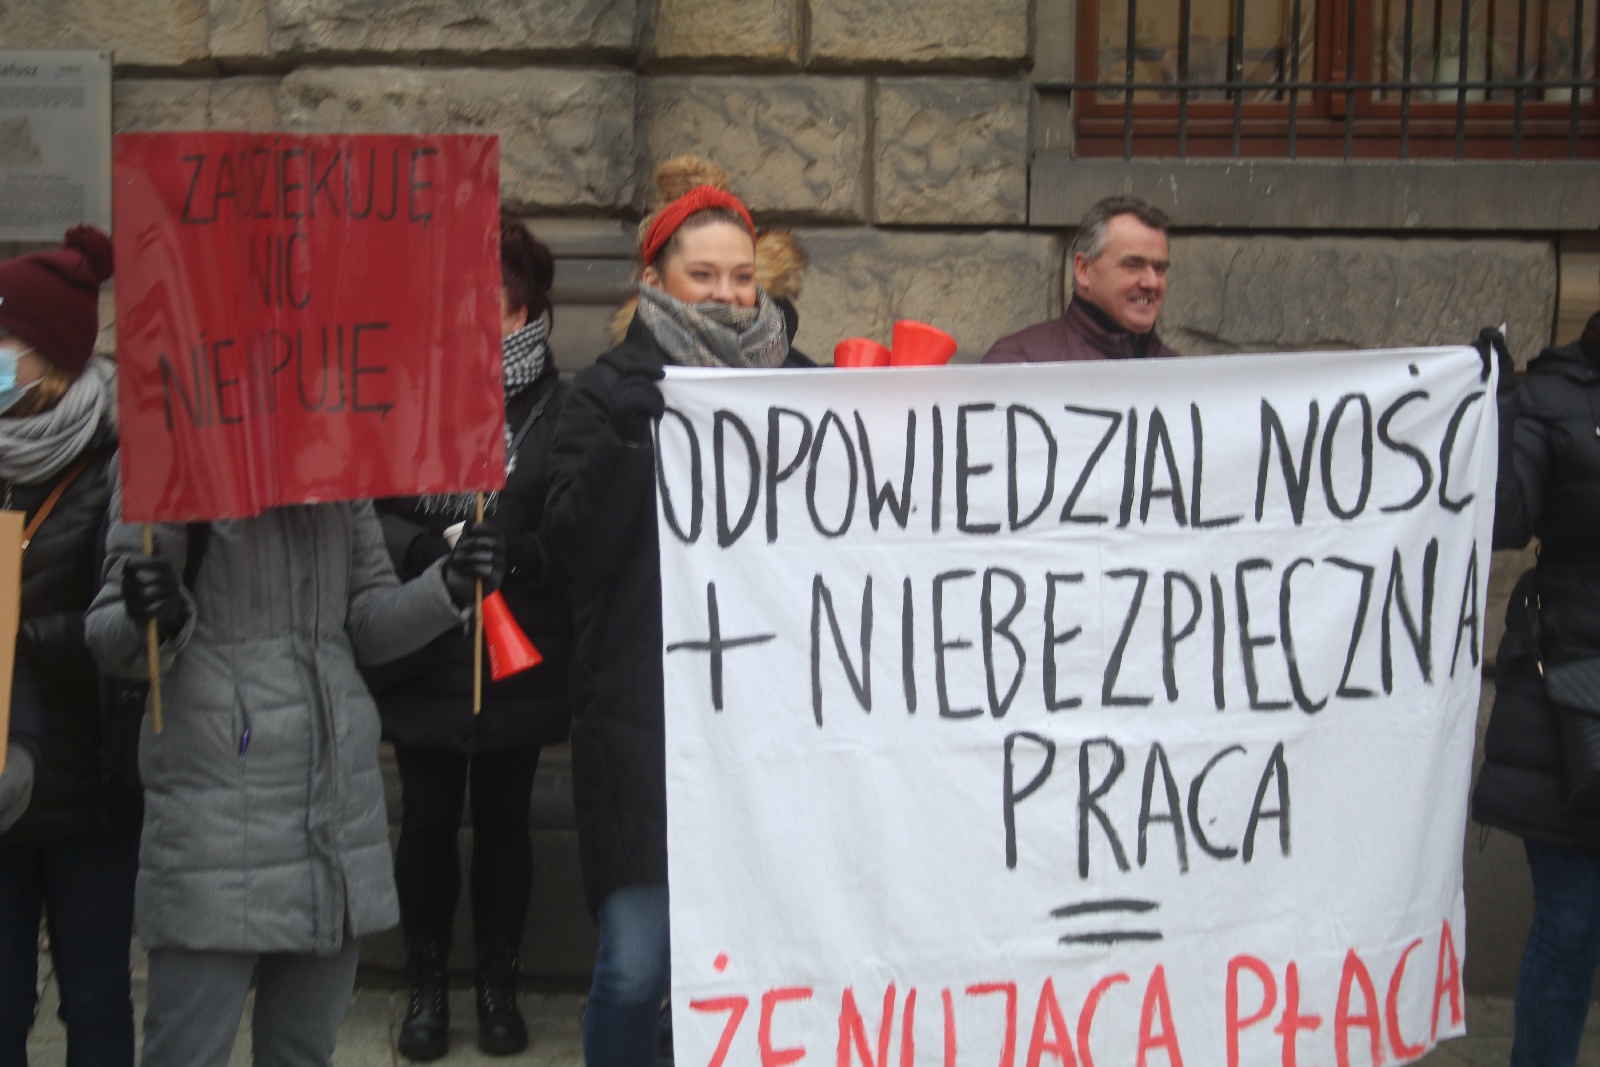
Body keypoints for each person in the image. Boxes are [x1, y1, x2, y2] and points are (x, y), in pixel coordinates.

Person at [84, 386, 508, 1062]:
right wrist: (145, 613)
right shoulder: (167, 447)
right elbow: (110, 634)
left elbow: (367, 621)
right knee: (186, 1049)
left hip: (334, 812)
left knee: (303, 1050)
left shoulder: (336, 458)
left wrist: (448, 586)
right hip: (215, 816)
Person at [542, 160, 812, 1067]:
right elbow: (567, 555)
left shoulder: (802, 386)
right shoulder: (605, 390)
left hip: (774, 727)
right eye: (704, 275)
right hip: (644, 729)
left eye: (742, 276)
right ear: (655, 279)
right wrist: (625, 443)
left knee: (761, 965)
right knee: (634, 965)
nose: (728, 294)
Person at [368, 217, 572, 1061]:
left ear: (525, 312)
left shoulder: (559, 408)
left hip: (516, 650)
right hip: (426, 642)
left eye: (486, 302)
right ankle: (425, 986)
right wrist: (425, 550)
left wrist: (515, 551)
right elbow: (364, 509)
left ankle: (497, 984)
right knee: (425, 821)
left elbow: (574, 526)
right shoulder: (399, 394)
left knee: (503, 824)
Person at [0, 226, 138, 1065]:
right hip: (0, 787)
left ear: (47, 355)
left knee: (94, 1000)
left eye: (3, 338)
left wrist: (17, 633)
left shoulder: (116, 462)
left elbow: (121, 625)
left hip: (90, 785)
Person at [1472, 305, 1600, 1067]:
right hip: (1573, 703)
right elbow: (1505, 522)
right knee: (1572, 923)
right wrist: (1498, 406)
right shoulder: (1550, 396)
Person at [982, 195, 1179, 364]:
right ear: (1084, 269)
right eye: (1132, 265)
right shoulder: (1018, 362)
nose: (1151, 282)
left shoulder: (1182, 374)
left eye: (1160, 268)